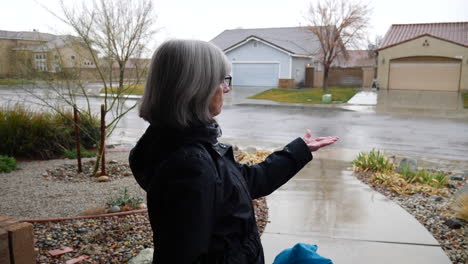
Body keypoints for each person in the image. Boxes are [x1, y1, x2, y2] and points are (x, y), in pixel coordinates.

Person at [129, 39, 339, 264]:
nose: (227, 89)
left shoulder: (188, 146)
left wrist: (297, 151)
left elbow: (244, 182)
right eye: (222, 81)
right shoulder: (188, 164)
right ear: (196, 87)